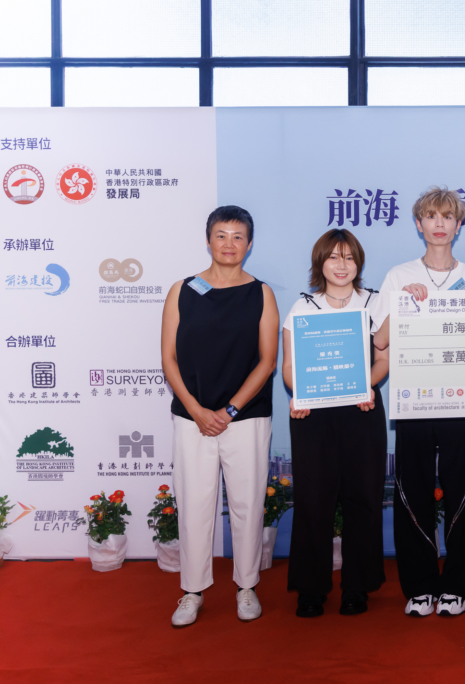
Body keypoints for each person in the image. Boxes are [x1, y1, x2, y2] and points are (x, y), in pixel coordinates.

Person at [161, 205, 279, 628]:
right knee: (193, 503)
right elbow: (168, 358)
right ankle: (192, 590)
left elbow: (267, 361)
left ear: (249, 243)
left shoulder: (261, 293)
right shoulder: (181, 291)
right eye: (221, 235)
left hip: (245, 418)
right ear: (208, 240)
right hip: (191, 417)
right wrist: (197, 410)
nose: (229, 244)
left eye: (238, 236)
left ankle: (246, 586)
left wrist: (229, 411)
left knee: (247, 503)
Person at [376, 186, 465, 618]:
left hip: (461, 400)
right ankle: (420, 586)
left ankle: (458, 585)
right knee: (412, 492)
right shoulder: (398, 275)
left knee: (464, 493)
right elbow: (379, 340)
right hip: (415, 400)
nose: (439, 224)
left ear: (459, 226)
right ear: (419, 224)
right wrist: (404, 302)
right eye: (431, 216)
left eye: (448, 217)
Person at [282, 229, 389, 618]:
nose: (342, 265)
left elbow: (383, 359)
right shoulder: (303, 307)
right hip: (313, 415)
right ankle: (311, 589)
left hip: (362, 409)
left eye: (349, 257)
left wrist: (367, 385)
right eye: (333, 257)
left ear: (358, 263)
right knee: (314, 500)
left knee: (363, 498)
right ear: (320, 263)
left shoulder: (375, 303)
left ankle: (357, 587)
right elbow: (289, 367)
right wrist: (301, 394)